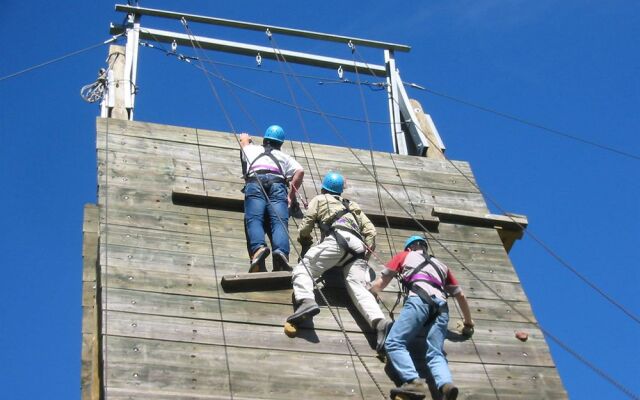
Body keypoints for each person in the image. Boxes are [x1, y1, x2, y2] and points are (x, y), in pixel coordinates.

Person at [286, 172, 392, 349]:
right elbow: (371, 232)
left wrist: (305, 242)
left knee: (304, 269)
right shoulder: (352, 206)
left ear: (323, 188)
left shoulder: (320, 199)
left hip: (337, 239)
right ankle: (380, 323)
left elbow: (307, 224)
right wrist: (363, 258)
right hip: (358, 247)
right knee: (359, 288)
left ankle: (306, 301)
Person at [369, 235, 475, 400]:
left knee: (394, 342)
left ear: (410, 248)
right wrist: (468, 323)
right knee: (436, 353)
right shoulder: (442, 266)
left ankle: (413, 382)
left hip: (419, 300)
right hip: (441, 307)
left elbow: (380, 284)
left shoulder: (404, 256)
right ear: (425, 247)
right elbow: (460, 295)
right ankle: (446, 385)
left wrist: (370, 293)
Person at [240, 125, 304, 273]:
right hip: (277, 185)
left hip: (255, 182)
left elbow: (244, 142)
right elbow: (300, 172)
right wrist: (290, 196)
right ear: (280, 143)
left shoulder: (251, 149)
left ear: (265, 139)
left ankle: (258, 249)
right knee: (279, 222)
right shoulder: (285, 157)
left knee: (254, 219)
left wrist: (245, 138)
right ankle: (281, 252)